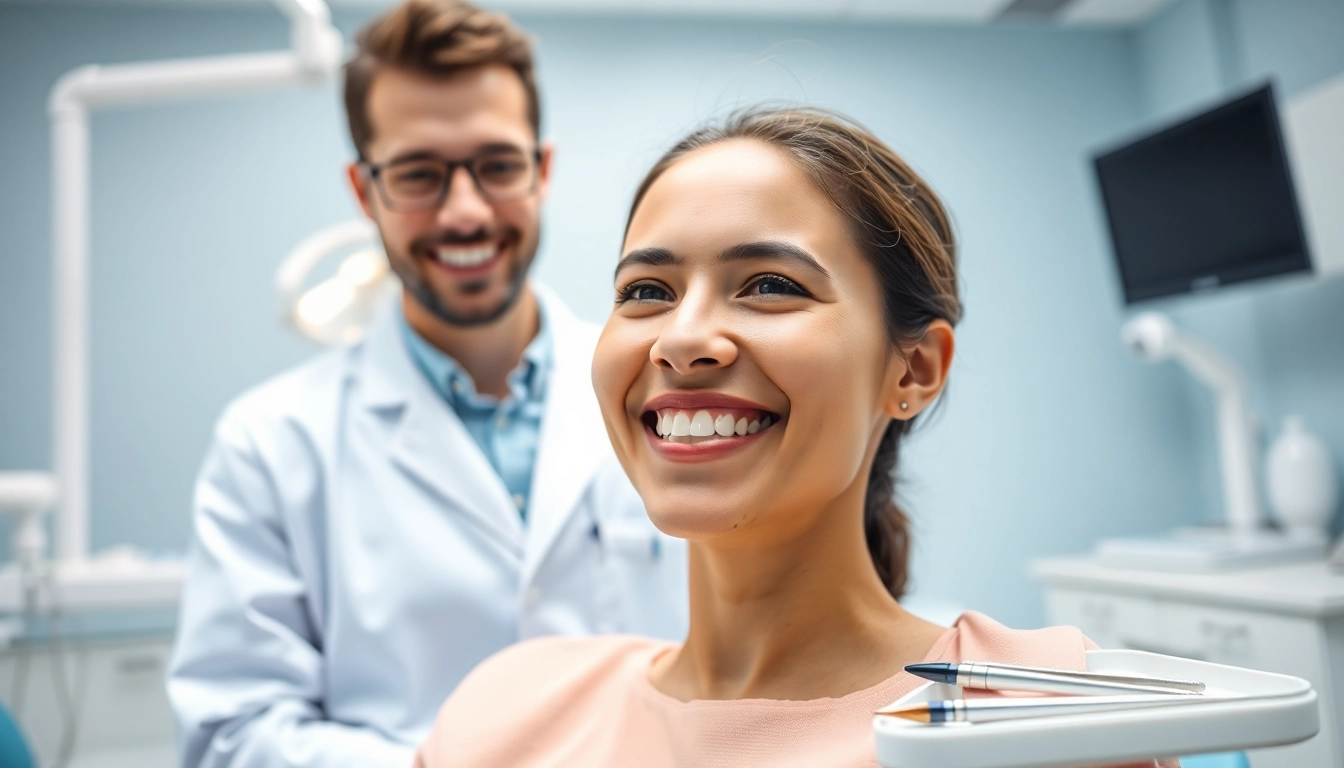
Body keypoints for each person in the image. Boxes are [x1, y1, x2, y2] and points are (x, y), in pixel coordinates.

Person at [413, 107, 1178, 767]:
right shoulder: (504, 715)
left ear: (912, 369)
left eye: (771, 285)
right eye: (647, 291)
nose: (681, 340)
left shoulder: (1045, 711)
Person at [166, 1, 687, 765]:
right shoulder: (271, 445)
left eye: (497, 166)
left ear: (541, 171)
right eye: (418, 174)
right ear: (364, 190)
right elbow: (229, 735)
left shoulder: (673, 395)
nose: (465, 211)